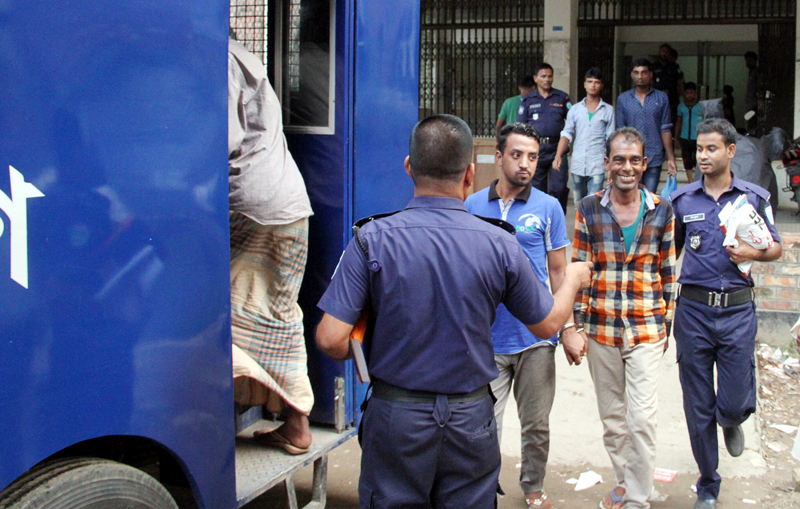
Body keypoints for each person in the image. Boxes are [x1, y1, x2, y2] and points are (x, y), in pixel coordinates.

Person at [315, 114, 593, 508]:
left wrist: (374, 343)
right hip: (470, 420)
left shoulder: (370, 240)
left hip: (397, 416)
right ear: (469, 174)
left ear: (409, 168)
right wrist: (573, 281)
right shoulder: (500, 245)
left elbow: (330, 338)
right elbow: (546, 322)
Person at [671, 119, 782, 509]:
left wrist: (753, 253)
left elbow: (775, 248)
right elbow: (671, 253)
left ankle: (732, 419)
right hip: (694, 313)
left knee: (732, 401)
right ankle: (708, 482)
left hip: (736, 312)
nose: (703, 156)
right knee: (696, 403)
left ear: (730, 151)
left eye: (711, 149)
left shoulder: (753, 198)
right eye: (699, 149)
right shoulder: (683, 202)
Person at [465, 122, 575, 509]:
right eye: (517, 155)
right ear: (499, 157)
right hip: (486, 339)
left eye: (532, 157)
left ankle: (532, 485)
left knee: (536, 425)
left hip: (535, 339)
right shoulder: (473, 206)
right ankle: (482, 485)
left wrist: (568, 328)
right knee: (481, 425)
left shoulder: (548, 207)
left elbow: (560, 272)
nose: (526, 164)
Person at [566, 127, 677, 509]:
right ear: (607, 164)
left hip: (647, 327)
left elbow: (668, 272)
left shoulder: (663, 209)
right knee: (614, 421)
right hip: (601, 328)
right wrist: (575, 326)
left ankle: (636, 500)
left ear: (645, 164)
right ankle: (625, 483)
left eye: (634, 160)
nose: (626, 167)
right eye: (619, 160)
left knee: (642, 420)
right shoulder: (589, 208)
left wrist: (666, 323)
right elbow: (579, 270)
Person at [228, 39, 315, 454]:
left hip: (253, 205)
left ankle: (224, 409)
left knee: (231, 307)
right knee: (278, 311)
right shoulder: (249, 60)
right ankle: (296, 423)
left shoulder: (223, 61)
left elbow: (224, 141)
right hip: (289, 204)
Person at [554, 67, 615, 204]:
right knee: (579, 204)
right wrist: (558, 155)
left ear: (601, 85)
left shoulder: (608, 110)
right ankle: (579, 227)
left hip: (597, 164)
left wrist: (611, 165)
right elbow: (567, 133)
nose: (593, 85)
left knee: (594, 204)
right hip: (578, 163)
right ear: (584, 84)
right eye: (590, 81)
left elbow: (610, 139)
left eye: (597, 82)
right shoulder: (575, 110)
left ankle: (590, 227)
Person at [517, 63, 572, 214]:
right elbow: (521, 126)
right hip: (536, 150)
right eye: (543, 76)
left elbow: (573, 122)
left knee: (558, 188)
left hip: (557, 150)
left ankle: (558, 216)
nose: (547, 79)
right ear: (535, 79)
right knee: (537, 189)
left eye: (549, 76)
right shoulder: (527, 100)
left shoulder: (561, 97)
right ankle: (539, 217)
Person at [616, 58, 677, 193]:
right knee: (630, 195)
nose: (640, 76)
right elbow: (620, 131)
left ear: (650, 75)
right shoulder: (623, 99)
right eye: (636, 73)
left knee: (649, 197)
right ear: (632, 75)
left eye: (644, 72)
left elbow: (665, 128)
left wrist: (671, 157)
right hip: (630, 157)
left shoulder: (661, 98)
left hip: (654, 155)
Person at [675, 82, 702, 183]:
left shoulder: (701, 106)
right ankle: (690, 180)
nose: (689, 95)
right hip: (684, 137)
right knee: (687, 160)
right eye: (687, 93)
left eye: (691, 92)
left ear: (695, 93)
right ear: (684, 93)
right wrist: (676, 137)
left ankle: (698, 179)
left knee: (697, 159)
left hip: (698, 137)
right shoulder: (681, 107)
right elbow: (679, 121)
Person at [651, 44, 684, 121]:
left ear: (669, 53)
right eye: (662, 51)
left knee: (672, 119)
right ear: (659, 52)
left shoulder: (674, 66)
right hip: (657, 98)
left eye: (666, 51)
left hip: (672, 98)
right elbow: (650, 82)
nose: (664, 53)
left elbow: (680, 83)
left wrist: (683, 95)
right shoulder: (654, 66)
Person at [744, 52, 759, 131]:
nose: (748, 63)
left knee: (752, 126)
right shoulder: (751, 73)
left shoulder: (756, 72)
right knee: (750, 125)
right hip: (750, 105)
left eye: (750, 60)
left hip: (754, 106)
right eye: (747, 60)